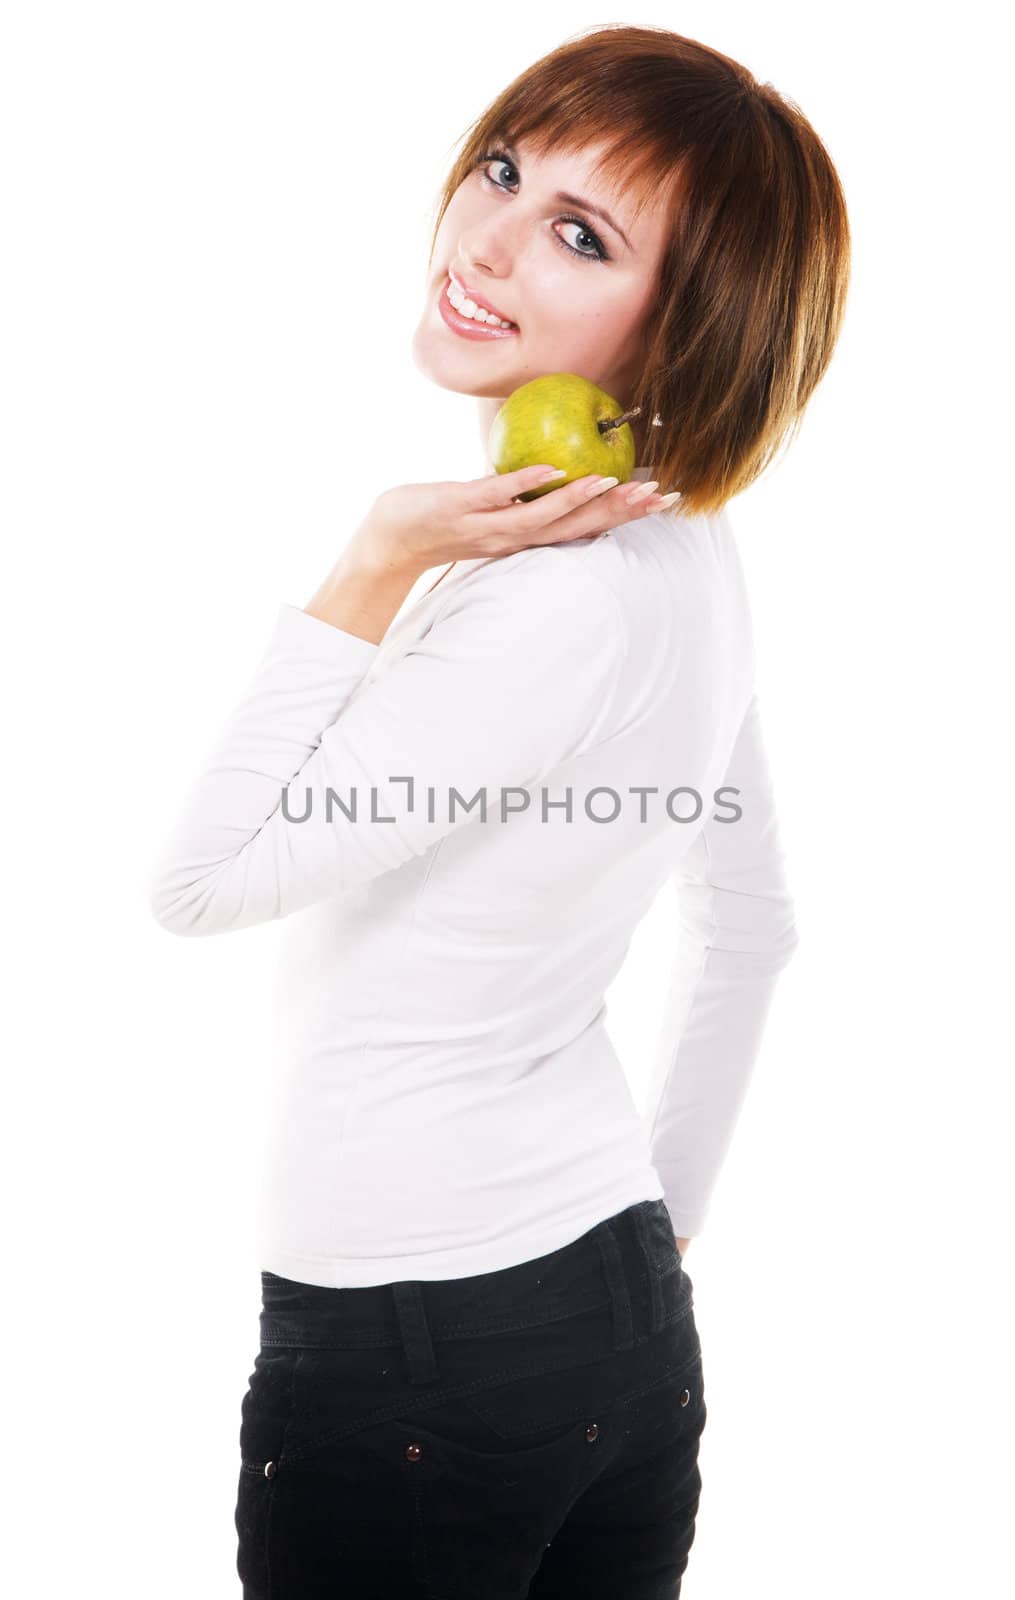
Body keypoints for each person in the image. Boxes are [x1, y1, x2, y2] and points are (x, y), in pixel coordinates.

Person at [148, 23, 849, 1599]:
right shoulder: (691, 556)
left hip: (415, 1354)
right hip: (613, 1327)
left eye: (583, 236)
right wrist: (650, 1239)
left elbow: (201, 880)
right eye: (509, 168)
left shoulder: (543, 605)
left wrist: (375, 560)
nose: (488, 238)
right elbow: (758, 931)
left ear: (688, 326)